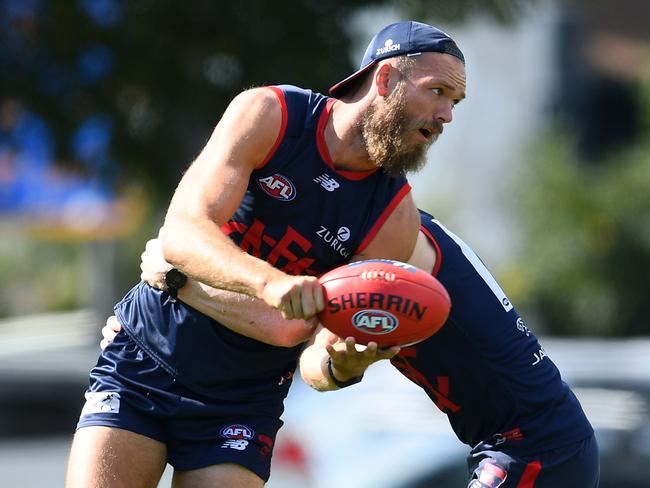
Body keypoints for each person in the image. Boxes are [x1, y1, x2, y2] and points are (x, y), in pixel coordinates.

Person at [66, 21, 467, 488]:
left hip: (241, 400)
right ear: (384, 80)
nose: (446, 116)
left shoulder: (395, 219)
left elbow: (296, 338)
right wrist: (270, 284)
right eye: (437, 91)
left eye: (453, 102)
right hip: (145, 357)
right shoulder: (270, 114)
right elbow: (182, 231)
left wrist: (342, 366)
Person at [102, 207, 600, 487]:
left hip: (538, 444)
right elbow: (316, 364)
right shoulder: (347, 247)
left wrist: (176, 282)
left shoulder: (385, 245)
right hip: (507, 442)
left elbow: (285, 328)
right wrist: (144, 317)